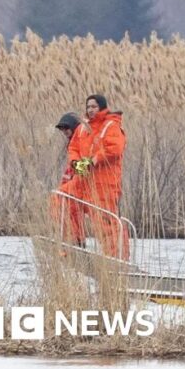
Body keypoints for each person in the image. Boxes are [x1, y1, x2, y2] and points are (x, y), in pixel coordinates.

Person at [82, 94, 129, 260]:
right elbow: (81, 150)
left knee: (107, 224)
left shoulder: (111, 125)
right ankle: (108, 256)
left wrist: (95, 159)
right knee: (98, 223)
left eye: (94, 107)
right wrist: (80, 164)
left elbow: (115, 149)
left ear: (101, 107)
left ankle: (117, 258)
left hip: (107, 184)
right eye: (88, 107)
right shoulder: (89, 128)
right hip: (92, 183)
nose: (91, 110)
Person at [51, 112, 92, 247]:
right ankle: (75, 241)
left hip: (81, 185)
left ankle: (76, 241)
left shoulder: (81, 141)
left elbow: (85, 166)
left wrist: (76, 178)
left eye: (66, 128)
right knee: (70, 211)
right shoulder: (73, 144)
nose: (64, 132)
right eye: (62, 129)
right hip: (75, 184)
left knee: (61, 200)